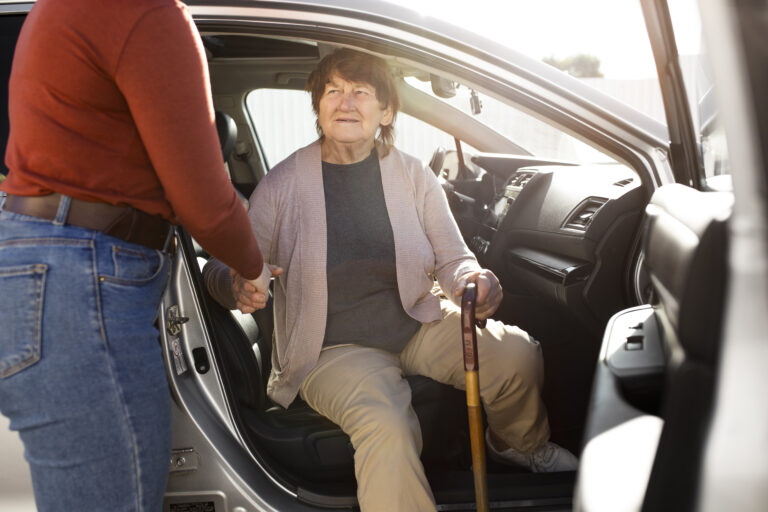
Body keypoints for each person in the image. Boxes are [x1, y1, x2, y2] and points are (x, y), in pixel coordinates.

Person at [203, 48, 577, 512]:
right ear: (317, 106)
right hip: (332, 349)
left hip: (416, 321)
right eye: (332, 91)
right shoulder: (282, 185)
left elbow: (453, 258)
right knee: (385, 422)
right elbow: (221, 267)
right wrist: (235, 285)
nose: (345, 103)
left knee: (515, 355)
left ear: (386, 110)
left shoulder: (413, 174)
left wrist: (472, 282)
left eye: (360, 92)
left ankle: (518, 445)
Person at [0, 1, 276, 510]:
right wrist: (254, 268)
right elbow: (206, 204)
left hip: (49, 268)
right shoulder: (146, 12)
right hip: (81, 284)